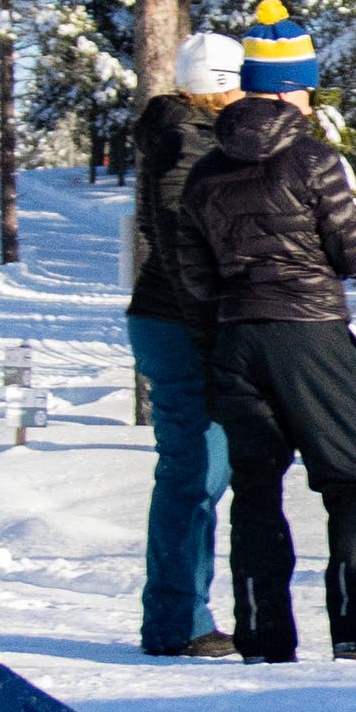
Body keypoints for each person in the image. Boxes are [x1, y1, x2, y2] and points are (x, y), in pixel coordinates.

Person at [175, 0, 356, 660]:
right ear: (295, 86)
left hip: (237, 339)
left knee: (257, 489)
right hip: (311, 332)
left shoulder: (204, 173)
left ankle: (263, 634)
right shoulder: (315, 161)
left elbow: (194, 278)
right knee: (346, 482)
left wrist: (220, 338)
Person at [125, 32, 245, 656]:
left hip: (177, 320)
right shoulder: (185, 144)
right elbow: (177, 242)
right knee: (194, 472)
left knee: (202, 471)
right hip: (182, 324)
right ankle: (177, 621)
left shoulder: (185, 135)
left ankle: (183, 614)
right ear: (227, 84)